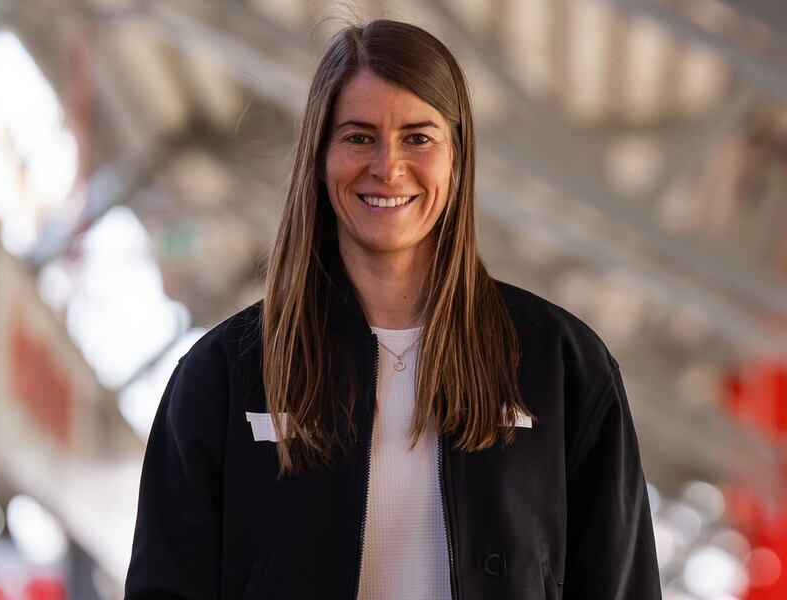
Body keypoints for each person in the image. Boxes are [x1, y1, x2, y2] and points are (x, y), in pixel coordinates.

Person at [125, 18, 662, 600]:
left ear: (457, 157)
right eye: (359, 137)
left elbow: (622, 586)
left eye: (418, 138)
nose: (388, 166)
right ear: (320, 155)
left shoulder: (562, 367)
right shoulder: (225, 373)